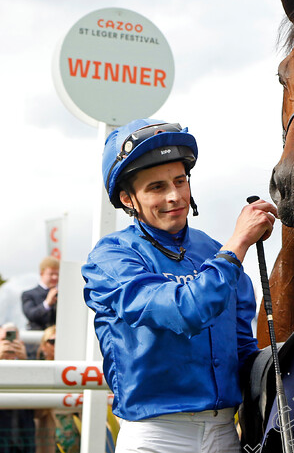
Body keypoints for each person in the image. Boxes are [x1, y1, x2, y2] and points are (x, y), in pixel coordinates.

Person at [82, 119, 277, 453]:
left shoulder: (214, 250)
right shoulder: (110, 257)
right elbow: (184, 311)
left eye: (180, 181)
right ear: (128, 199)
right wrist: (238, 245)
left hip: (225, 433)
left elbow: (244, 352)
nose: (174, 196)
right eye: (156, 188)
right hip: (155, 436)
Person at [0, 323, 36, 453]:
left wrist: (24, 361)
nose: (9, 343)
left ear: (21, 343)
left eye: (13, 339)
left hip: (24, 440)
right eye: (4, 340)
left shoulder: (31, 364)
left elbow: (39, 403)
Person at [21, 257, 59, 331]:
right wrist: (47, 304)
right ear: (42, 273)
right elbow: (31, 315)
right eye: (51, 274)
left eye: (57, 274)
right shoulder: (28, 294)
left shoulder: (62, 294)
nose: (55, 277)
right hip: (37, 339)